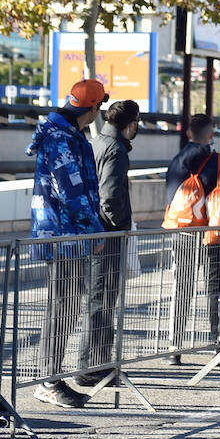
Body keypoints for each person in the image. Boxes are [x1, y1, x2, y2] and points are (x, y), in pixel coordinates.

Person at [27, 79, 107, 408]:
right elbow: (71, 189)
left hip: (66, 234)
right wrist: (94, 230)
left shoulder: (65, 134)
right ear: (92, 108)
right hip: (64, 235)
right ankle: (48, 379)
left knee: (66, 305)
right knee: (63, 305)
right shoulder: (61, 138)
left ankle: (51, 376)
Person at [164, 114, 220, 363]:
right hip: (214, 234)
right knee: (215, 289)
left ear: (189, 134)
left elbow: (170, 196)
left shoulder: (177, 162)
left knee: (182, 287)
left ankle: (174, 347)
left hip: (184, 232)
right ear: (211, 135)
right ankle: (217, 344)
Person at [79, 99, 139, 385]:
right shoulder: (116, 150)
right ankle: (94, 368)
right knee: (103, 301)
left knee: (95, 300)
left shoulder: (96, 142)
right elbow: (111, 198)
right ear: (131, 123)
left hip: (93, 230)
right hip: (108, 234)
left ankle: (92, 366)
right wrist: (121, 227)